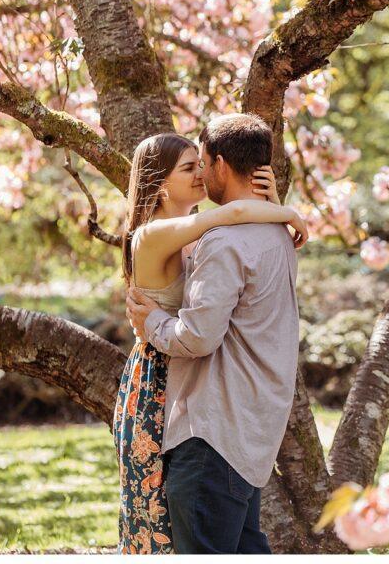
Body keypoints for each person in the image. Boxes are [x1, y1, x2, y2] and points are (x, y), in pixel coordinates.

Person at [113, 129, 306, 554]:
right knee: (163, 529)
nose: (201, 173)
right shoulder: (159, 234)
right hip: (158, 381)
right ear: (159, 182)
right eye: (189, 167)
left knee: (209, 535)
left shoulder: (202, 238)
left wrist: (272, 208)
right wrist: (287, 212)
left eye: (201, 163)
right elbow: (233, 217)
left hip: (190, 380)